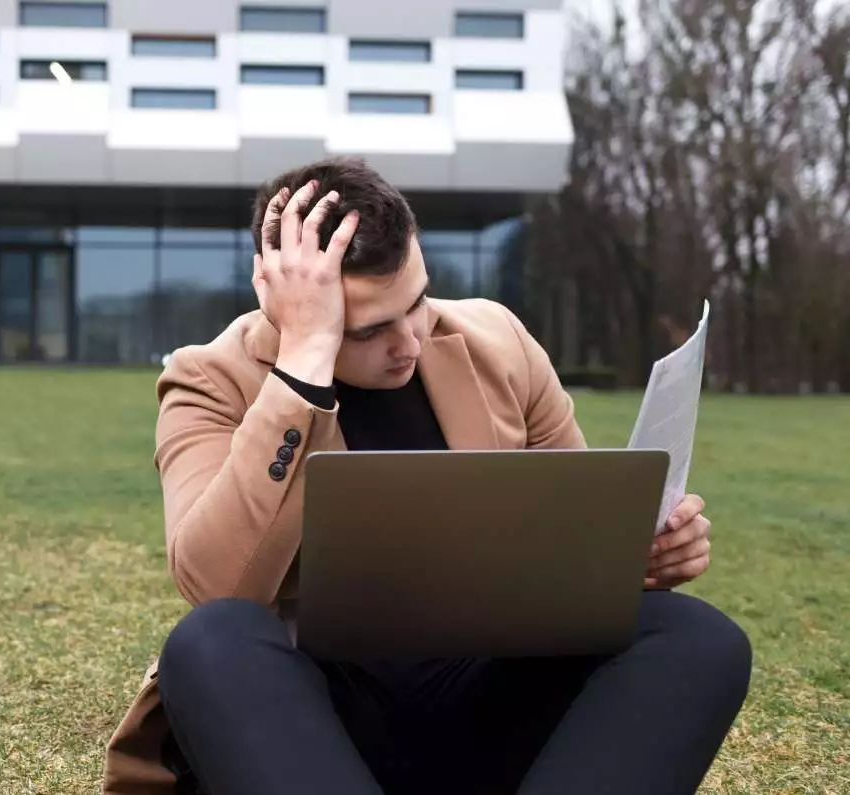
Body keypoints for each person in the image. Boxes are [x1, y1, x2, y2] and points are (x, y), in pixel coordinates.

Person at [101, 157, 751, 795]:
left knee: (697, 636)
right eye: (371, 329)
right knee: (209, 641)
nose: (409, 340)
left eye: (416, 301)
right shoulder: (208, 380)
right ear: (284, 305)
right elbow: (215, 583)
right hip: (310, 724)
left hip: (490, 696)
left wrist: (642, 556)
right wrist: (302, 364)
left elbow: (574, 544)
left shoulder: (497, 341)